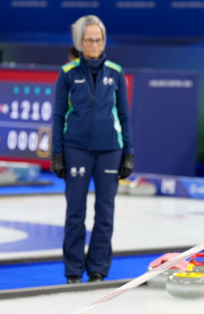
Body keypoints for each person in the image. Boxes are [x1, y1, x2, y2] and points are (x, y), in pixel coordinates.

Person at [51, 15, 134, 284]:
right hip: (76, 149)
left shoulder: (116, 72)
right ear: (80, 42)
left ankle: (98, 269)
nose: (95, 44)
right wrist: (57, 152)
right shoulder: (67, 74)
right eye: (89, 40)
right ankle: (73, 271)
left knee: (105, 212)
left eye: (98, 39)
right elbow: (58, 116)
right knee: (75, 212)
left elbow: (124, 114)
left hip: (110, 150)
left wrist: (128, 152)